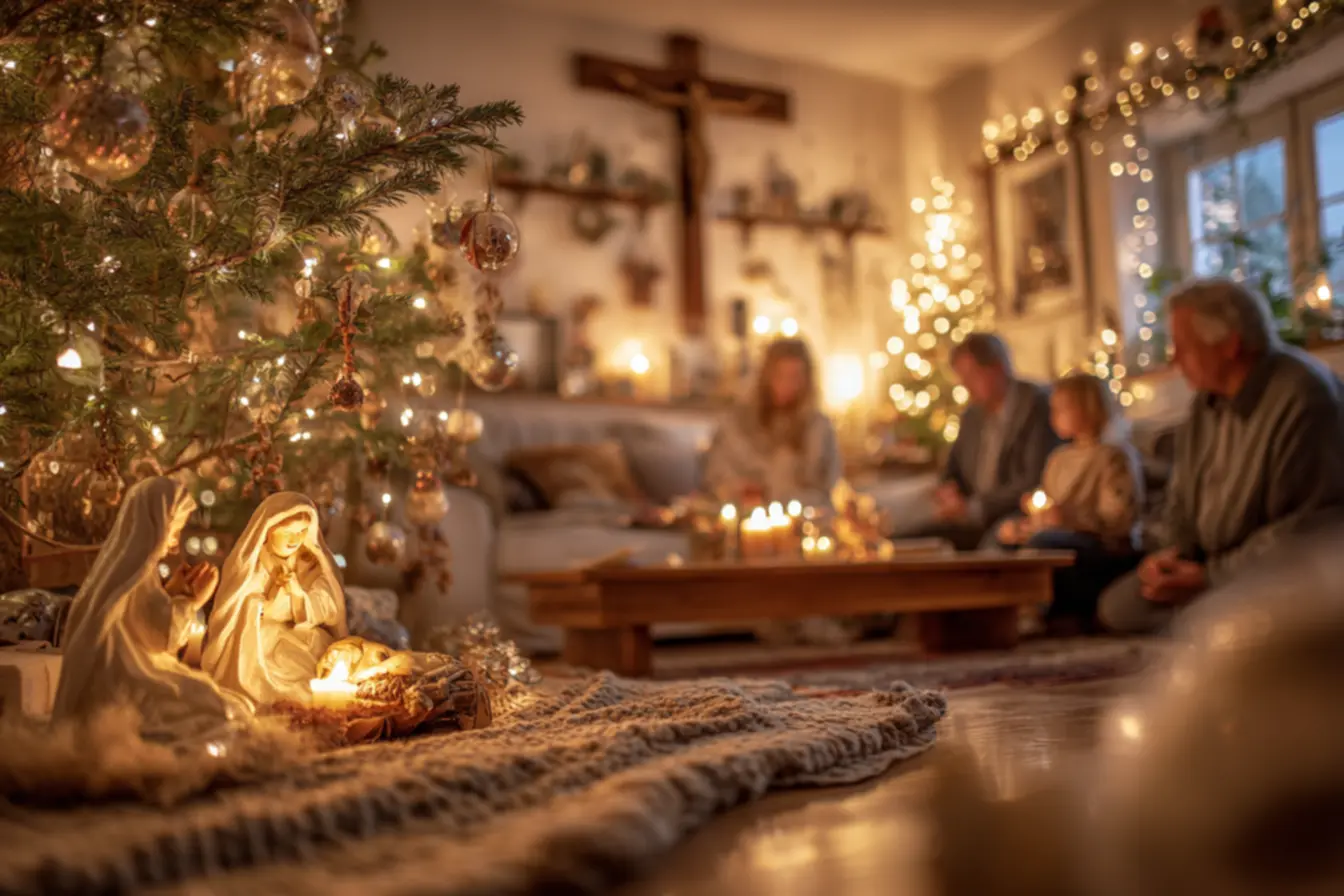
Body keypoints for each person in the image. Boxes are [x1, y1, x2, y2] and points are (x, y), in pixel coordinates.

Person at [1099, 278, 1344, 634]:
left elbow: (1307, 528)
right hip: (1212, 569)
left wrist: (1211, 578)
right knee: (1118, 607)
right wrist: (1172, 558)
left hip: (1279, 574)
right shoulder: (1204, 405)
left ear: (1229, 345)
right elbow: (1181, 503)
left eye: (1183, 347)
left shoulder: (1304, 397)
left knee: (1261, 611)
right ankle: (1222, 625)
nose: (1174, 360)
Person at [53, 477, 250, 741]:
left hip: (128, 672)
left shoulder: (121, 570)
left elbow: (141, 620)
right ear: (157, 525)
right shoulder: (138, 574)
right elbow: (163, 637)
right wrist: (194, 600)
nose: (175, 544)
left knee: (226, 702)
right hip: (126, 682)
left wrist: (172, 592)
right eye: (174, 531)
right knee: (221, 708)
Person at [996, 373, 1144, 632]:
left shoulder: (1113, 457)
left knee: (1043, 546)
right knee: (1001, 536)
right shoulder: (1059, 459)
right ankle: (1002, 609)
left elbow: (1118, 520)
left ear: (1088, 408)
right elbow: (1048, 506)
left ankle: (1031, 611)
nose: (1054, 416)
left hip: (1101, 547)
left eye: (1062, 409)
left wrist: (1069, 518)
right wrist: (1029, 521)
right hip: (1058, 536)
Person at [919, 333, 1061, 550]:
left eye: (972, 376)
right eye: (961, 378)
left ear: (998, 368)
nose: (966, 386)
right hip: (969, 516)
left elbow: (1033, 479)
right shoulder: (972, 415)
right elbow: (953, 469)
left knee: (993, 545)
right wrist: (948, 491)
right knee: (914, 538)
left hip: (1014, 514)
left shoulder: (1036, 407)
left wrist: (975, 508)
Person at [203, 492, 347, 706]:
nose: (295, 540)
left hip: (303, 633)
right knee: (274, 667)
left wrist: (297, 594)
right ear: (268, 530)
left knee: (315, 659)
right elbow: (239, 602)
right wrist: (268, 604)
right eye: (287, 532)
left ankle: (308, 704)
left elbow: (328, 604)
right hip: (260, 634)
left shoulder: (310, 562)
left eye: (301, 532)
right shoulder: (252, 563)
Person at [702, 337, 842, 508]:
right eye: (780, 375)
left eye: (794, 377)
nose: (786, 385)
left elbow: (828, 488)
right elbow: (717, 474)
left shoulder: (819, 430)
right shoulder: (736, 425)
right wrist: (740, 489)